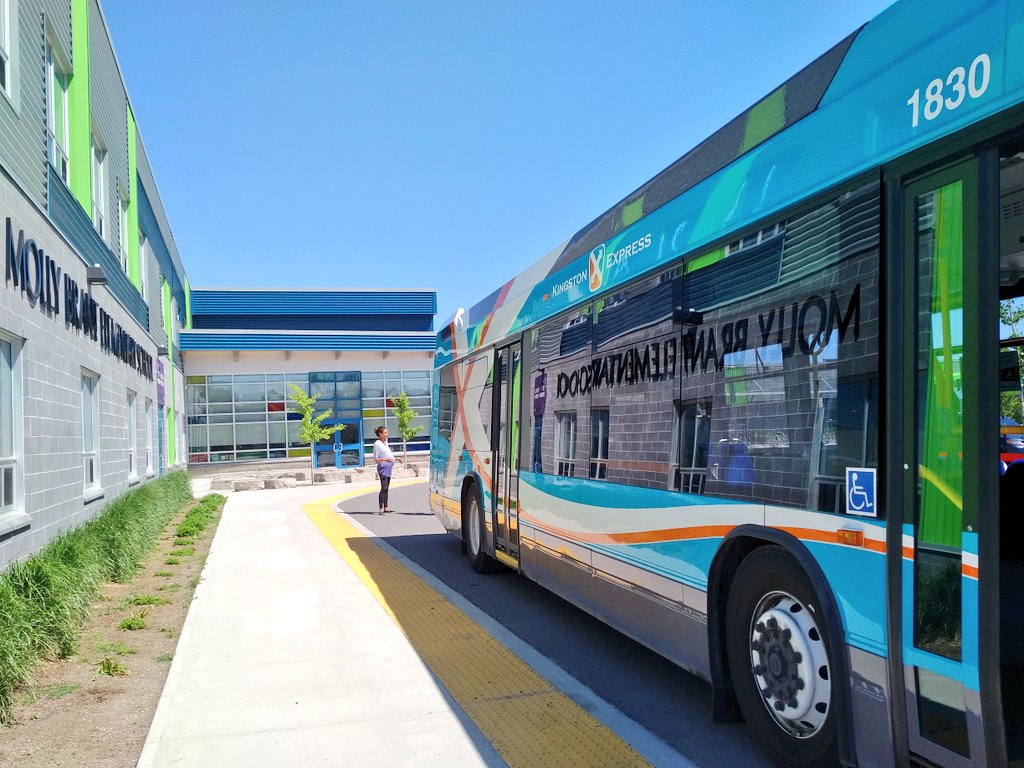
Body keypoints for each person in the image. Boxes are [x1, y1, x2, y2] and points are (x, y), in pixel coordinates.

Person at [372, 426, 400, 514]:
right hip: (383, 468)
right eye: (385, 433)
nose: (387, 434)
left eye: (387, 433)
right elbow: (376, 459)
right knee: (383, 487)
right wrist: (385, 460)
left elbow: (388, 455)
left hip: (389, 468)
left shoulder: (385, 443)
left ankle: (386, 507)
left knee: (386, 488)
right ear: (380, 434)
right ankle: (381, 507)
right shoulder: (377, 444)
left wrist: (396, 459)